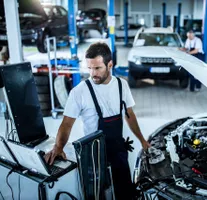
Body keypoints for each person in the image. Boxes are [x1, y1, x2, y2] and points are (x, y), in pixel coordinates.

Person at [45, 42, 151, 200]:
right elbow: (67, 123)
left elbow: (129, 114)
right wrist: (58, 147)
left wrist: (142, 140)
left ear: (110, 65)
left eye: (97, 68)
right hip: (93, 155)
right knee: (96, 194)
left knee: (126, 192)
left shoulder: (122, 85)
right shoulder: (80, 92)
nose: (92, 73)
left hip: (118, 150)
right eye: (89, 68)